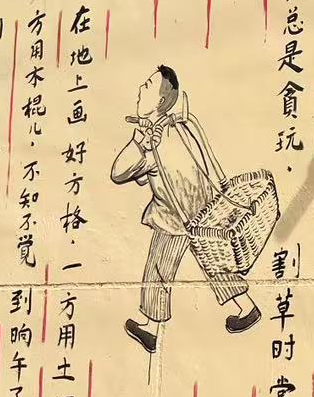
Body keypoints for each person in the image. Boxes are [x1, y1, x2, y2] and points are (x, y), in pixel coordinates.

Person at [111, 65, 261, 354]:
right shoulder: (183, 123)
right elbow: (207, 157)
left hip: (174, 217)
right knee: (214, 262)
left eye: (147, 86)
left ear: (161, 100)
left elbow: (119, 173)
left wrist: (139, 142)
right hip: (204, 209)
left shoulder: (153, 141)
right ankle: (247, 307)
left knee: (158, 270)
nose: (140, 89)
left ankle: (150, 328)